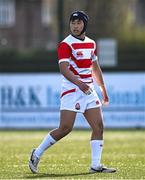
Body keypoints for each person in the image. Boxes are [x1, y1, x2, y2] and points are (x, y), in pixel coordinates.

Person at [29, 10, 116, 174]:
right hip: (72, 89)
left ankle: (95, 165)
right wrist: (79, 83)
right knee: (65, 128)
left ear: (85, 25)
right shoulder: (65, 44)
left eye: (79, 23)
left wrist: (103, 90)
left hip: (88, 89)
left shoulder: (91, 43)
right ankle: (37, 153)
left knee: (98, 126)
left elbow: (95, 69)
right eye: (73, 23)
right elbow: (64, 69)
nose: (75, 26)